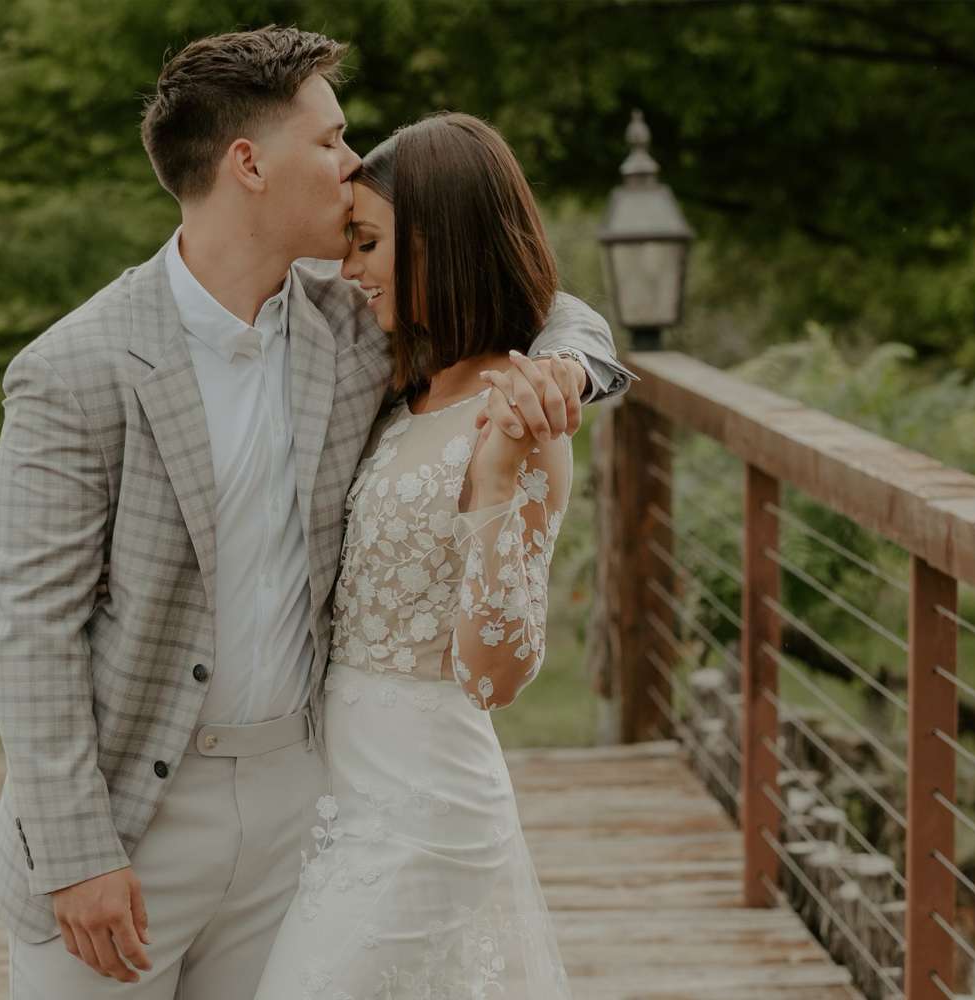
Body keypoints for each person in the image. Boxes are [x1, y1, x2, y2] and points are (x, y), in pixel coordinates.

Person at [0, 27, 636, 999]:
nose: (352, 162)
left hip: (306, 811)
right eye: (330, 141)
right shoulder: (74, 368)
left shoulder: (354, 322)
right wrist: (77, 851)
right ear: (248, 163)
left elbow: (517, 288)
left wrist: (569, 368)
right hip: (129, 819)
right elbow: (28, 627)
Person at [252, 110, 592, 998]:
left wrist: (499, 471)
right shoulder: (408, 388)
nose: (348, 267)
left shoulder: (518, 413)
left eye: (367, 243)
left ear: (441, 243)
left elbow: (495, 677)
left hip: (429, 809)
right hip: (345, 802)